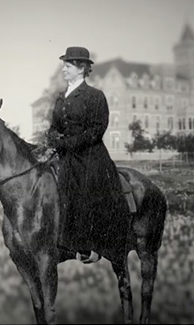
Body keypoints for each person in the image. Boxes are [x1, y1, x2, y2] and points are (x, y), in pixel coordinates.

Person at [46, 46, 131, 264]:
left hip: (90, 156)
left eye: (67, 66)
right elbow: (54, 125)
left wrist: (66, 143)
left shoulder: (95, 96)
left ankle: (95, 246)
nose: (63, 70)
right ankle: (63, 244)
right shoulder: (61, 97)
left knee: (89, 190)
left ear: (81, 68)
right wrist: (52, 137)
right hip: (65, 155)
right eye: (64, 66)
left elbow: (97, 130)